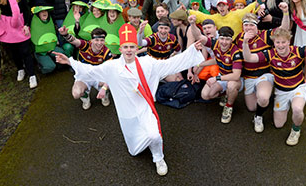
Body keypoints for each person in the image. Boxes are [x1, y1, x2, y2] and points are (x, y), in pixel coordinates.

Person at [53, 24, 205, 176]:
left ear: (136, 48)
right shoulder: (112, 66)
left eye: (132, 47)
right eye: (125, 47)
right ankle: (143, 145)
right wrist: (70, 62)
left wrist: (192, 51)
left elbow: (170, 64)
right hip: (127, 112)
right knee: (135, 149)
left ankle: (158, 158)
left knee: (154, 135)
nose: (129, 50)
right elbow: (91, 70)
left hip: (144, 107)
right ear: (120, 49)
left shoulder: (147, 63)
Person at [242, 27, 306, 146]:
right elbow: (249, 58)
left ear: (289, 41)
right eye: (277, 42)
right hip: (281, 91)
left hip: (298, 87)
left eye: (283, 42)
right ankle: (278, 105)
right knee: (278, 124)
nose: (281, 45)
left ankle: (296, 130)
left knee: (297, 109)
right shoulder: (270, 53)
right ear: (274, 43)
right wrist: (245, 43)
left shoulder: (298, 51)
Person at [235, 9, 290, 133]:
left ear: (257, 26)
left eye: (252, 25)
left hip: (264, 74)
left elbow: (284, 29)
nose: (248, 28)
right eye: (246, 25)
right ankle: (265, 97)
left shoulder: (265, 35)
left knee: (263, 98)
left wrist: (286, 12)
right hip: (249, 76)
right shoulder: (239, 38)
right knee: (251, 107)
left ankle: (258, 117)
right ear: (242, 26)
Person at [190, 19, 243, 124]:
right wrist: (199, 65)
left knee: (231, 86)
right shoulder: (215, 43)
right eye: (222, 39)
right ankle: (225, 94)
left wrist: (216, 78)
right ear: (219, 38)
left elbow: (236, 75)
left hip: (234, 79)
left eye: (227, 39)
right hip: (222, 75)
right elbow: (199, 37)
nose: (224, 42)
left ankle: (229, 106)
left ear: (231, 40)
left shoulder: (236, 52)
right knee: (205, 95)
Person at [59, 26, 113, 109]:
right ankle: (85, 97)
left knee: (111, 83)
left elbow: (110, 73)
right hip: (84, 76)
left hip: (98, 77)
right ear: (91, 40)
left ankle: (105, 95)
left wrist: (104, 88)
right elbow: (74, 40)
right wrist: (65, 35)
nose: (99, 43)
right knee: (76, 94)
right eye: (96, 40)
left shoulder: (107, 52)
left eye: (102, 40)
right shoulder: (85, 45)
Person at [30, 6, 72, 74]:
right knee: (50, 67)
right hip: (41, 52)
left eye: (46, 11)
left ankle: (58, 66)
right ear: (38, 14)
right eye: (42, 12)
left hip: (52, 47)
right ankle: (42, 67)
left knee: (62, 54)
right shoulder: (33, 23)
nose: (44, 13)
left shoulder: (50, 21)